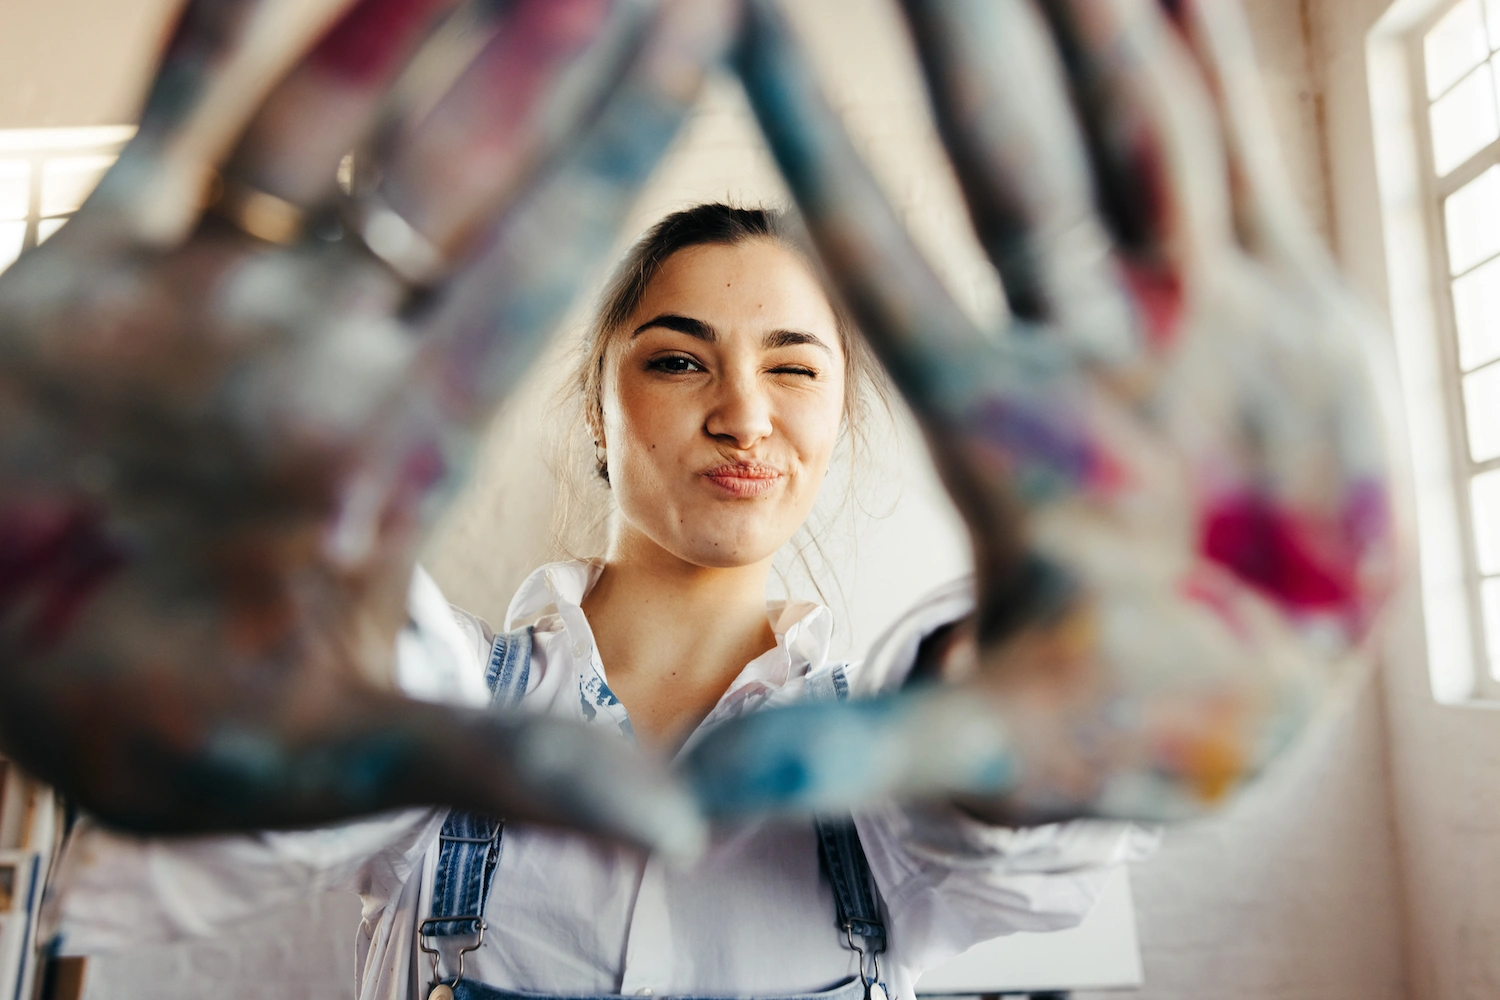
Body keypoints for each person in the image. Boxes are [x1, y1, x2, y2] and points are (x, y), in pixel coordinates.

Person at [46, 203, 1157, 1000]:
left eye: (794, 367)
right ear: (596, 407)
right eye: (679, 362)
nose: (742, 415)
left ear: (840, 417)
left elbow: (1021, 834)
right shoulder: (438, 713)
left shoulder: (888, 763)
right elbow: (198, 838)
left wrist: (1018, 678)